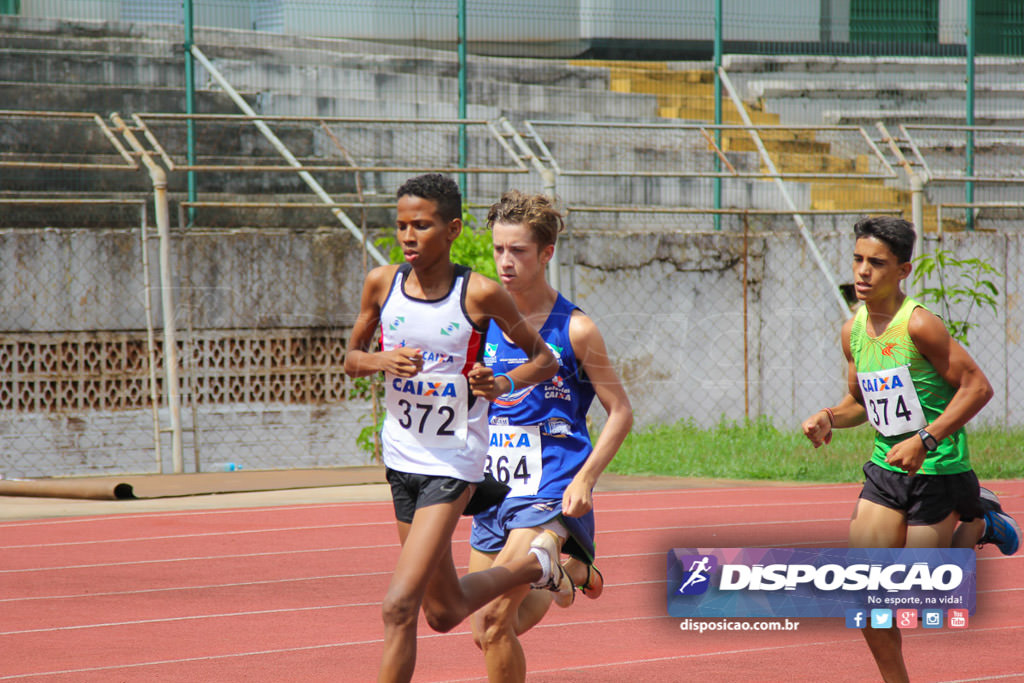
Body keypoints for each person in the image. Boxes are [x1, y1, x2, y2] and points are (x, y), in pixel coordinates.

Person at [344, 174, 567, 683]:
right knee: (442, 613)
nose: (407, 236)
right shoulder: (382, 283)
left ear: (452, 229)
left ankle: (538, 561)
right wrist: (382, 360)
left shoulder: (481, 294)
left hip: (452, 463)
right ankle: (538, 565)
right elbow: (351, 360)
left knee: (398, 606)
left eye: (420, 225)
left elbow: (544, 360)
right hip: (401, 459)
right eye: (401, 225)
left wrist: (501, 381)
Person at [801, 216, 1020, 683]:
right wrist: (829, 417)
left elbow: (978, 388)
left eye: (876, 263)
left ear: (903, 270)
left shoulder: (920, 326)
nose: (863, 271)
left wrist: (926, 439)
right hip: (886, 471)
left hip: (938, 470)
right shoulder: (852, 331)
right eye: (858, 260)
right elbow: (860, 404)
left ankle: (980, 519)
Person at [467, 190, 634, 682]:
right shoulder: (481, 322)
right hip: (493, 490)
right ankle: (566, 570)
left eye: (517, 251)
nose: (505, 261)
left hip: (549, 488)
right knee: (488, 628)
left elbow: (620, 411)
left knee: (496, 620)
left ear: (546, 254)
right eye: (498, 249)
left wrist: (586, 479)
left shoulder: (576, 330)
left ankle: (557, 556)